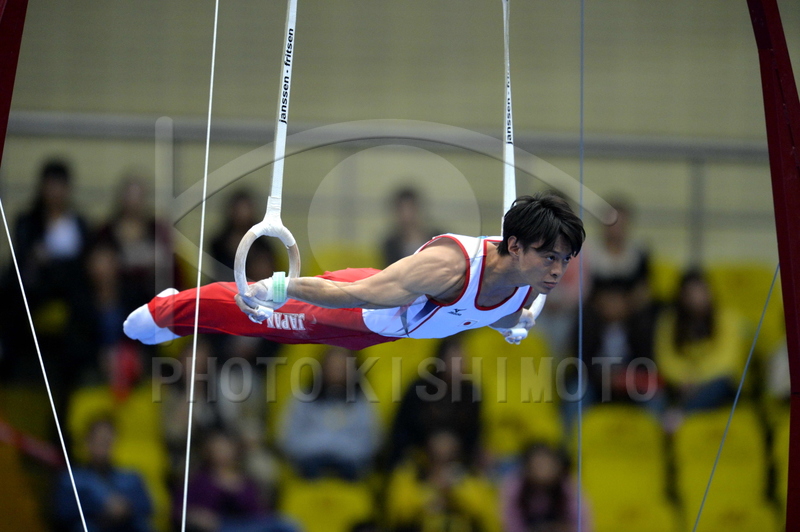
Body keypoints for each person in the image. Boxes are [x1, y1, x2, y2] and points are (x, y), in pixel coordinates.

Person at [124, 193, 585, 350]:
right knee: (258, 318)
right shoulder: (448, 268)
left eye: (564, 260)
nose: (557, 270)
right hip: (358, 309)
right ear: (515, 245)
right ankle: (168, 310)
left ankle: (176, 312)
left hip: (380, 334)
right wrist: (279, 286)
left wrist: (514, 323)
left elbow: (493, 311)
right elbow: (355, 294)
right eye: (550, 257)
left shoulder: (525, 283)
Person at [278, 346, 380, 480]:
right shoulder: (302, 399)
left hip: (350, 468)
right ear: (322, 367)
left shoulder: (363, 403)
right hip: (308, 466)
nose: (336, 372)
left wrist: (337, 451)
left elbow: (371, 443)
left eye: (342, 367)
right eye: (332, 367)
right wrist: (321, 449)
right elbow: (287, 438)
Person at [55, 417, 153, 532]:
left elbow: (147, 507)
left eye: (107, 441)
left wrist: (126, 508)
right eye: (99, 440)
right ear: (87, 442)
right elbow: (63, 511)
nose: (103, 446)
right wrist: (101, 508)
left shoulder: (131, 478)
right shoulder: (71, 479)